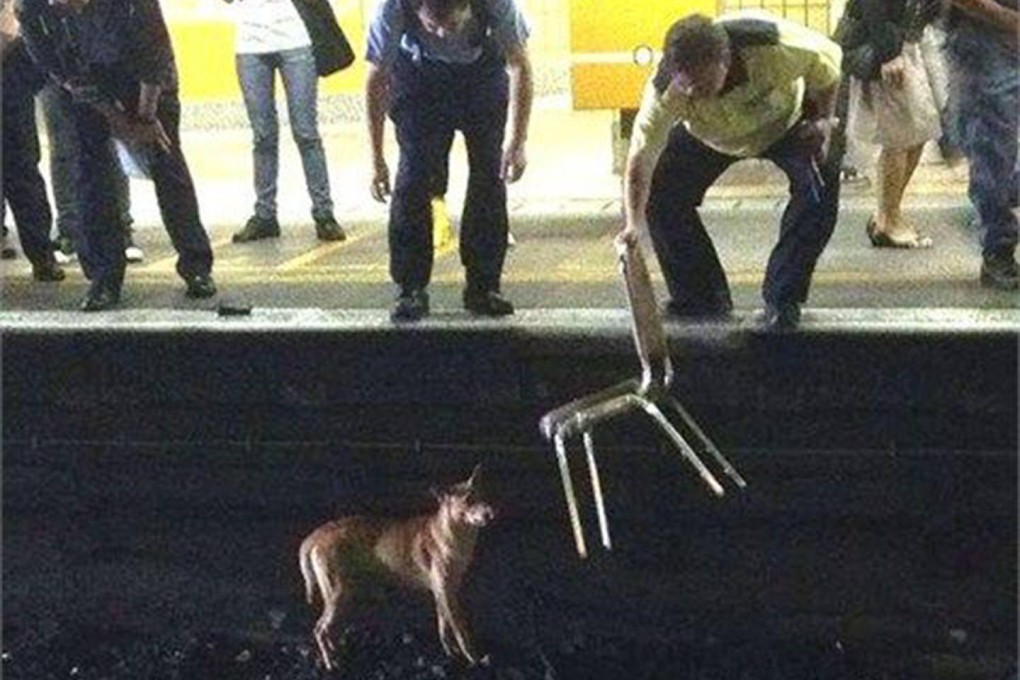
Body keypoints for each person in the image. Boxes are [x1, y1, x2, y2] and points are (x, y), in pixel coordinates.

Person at [621, 11, 843, 331]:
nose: (694, 91)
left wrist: (823, 121)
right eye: (688, 86)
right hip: (710, 136)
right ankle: (700, 297)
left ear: (725, 60)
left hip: (785, 121)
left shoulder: (774, 46)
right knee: (662, 194)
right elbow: (640, 160)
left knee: (819, 190)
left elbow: (830, 64)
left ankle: (783, 298)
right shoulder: (666, 90)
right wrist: (632, 224)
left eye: (703, 83)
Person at [19, 0, 217, 311]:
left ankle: (196, 266)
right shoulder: (32, 9)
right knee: (91, 175)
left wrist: (146, 119)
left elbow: (155, 57)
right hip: (88, 81)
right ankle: (104, 277)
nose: (66, 6)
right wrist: (117, 120)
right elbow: (63, 74)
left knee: (166, 163)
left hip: (145, 76)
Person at [365, 0, 533, 322]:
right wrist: (376, 159)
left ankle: (484, 287)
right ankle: (410, 287)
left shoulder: (498, 5)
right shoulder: (392, 8)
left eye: (452, 25)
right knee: (413, 178)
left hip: (482, 77)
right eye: (432, 26)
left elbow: (519, 65)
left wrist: (518, 141)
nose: (442, 34)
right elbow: (376, 78)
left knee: (489, 175)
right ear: (416, 9)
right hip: (419, 78)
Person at [224, 0, 346, 244]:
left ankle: (324, 214)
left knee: (306, 132)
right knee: (263, 136)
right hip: (250, 42)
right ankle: (265, 215)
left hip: (296, 39)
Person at [845, 0, 943, 249]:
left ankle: (888, 214)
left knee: (919, 130)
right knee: (899, 136)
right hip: (886, 45)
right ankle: (888, 220)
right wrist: (888, 53)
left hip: (912, 41)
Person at [943, 0, 1018, 290]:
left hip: (999, 37)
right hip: (988, 40)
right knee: (993, 150)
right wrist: (1011, 21)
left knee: (997, 152)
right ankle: (998, 249)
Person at [39, 81, 145, 265]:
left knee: (109, 146)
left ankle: (120, 230)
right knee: (63, 150)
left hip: (97, 68)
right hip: (53, 71)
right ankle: (70, 232)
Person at [1, 3, 65, 282]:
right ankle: (42, 257)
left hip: (9, 84)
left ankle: (42, 256)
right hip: (12, 83)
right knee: (23, 173)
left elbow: (11, 31)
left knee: (22, 171)